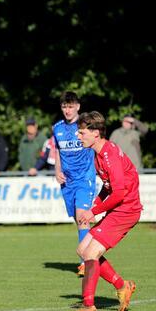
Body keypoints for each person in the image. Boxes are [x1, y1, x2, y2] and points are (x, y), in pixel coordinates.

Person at [69, 111, 141, 311]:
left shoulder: (109, 154)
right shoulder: (99, 155)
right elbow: (108, 188)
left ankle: (89, 306)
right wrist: (96, 204)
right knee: (83, 250)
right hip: (118, 208)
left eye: (82, 133)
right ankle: (122, 285)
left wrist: (94, 211)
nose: (78, 136)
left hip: (126, 210)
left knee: (91, 254)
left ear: (96, 133)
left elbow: (119, 193)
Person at [53, 92, 97, 276]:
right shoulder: (57, 128)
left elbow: (97, 144)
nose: (67, 110)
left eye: (71, 106)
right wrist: (57, 171)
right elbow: (57, 151)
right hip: (68, 182)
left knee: (82, 218)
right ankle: (91, 253)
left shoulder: (86, 126)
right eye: (64, 107)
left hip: (85, 178)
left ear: (78, 106)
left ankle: (85, 262)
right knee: (79, 222)